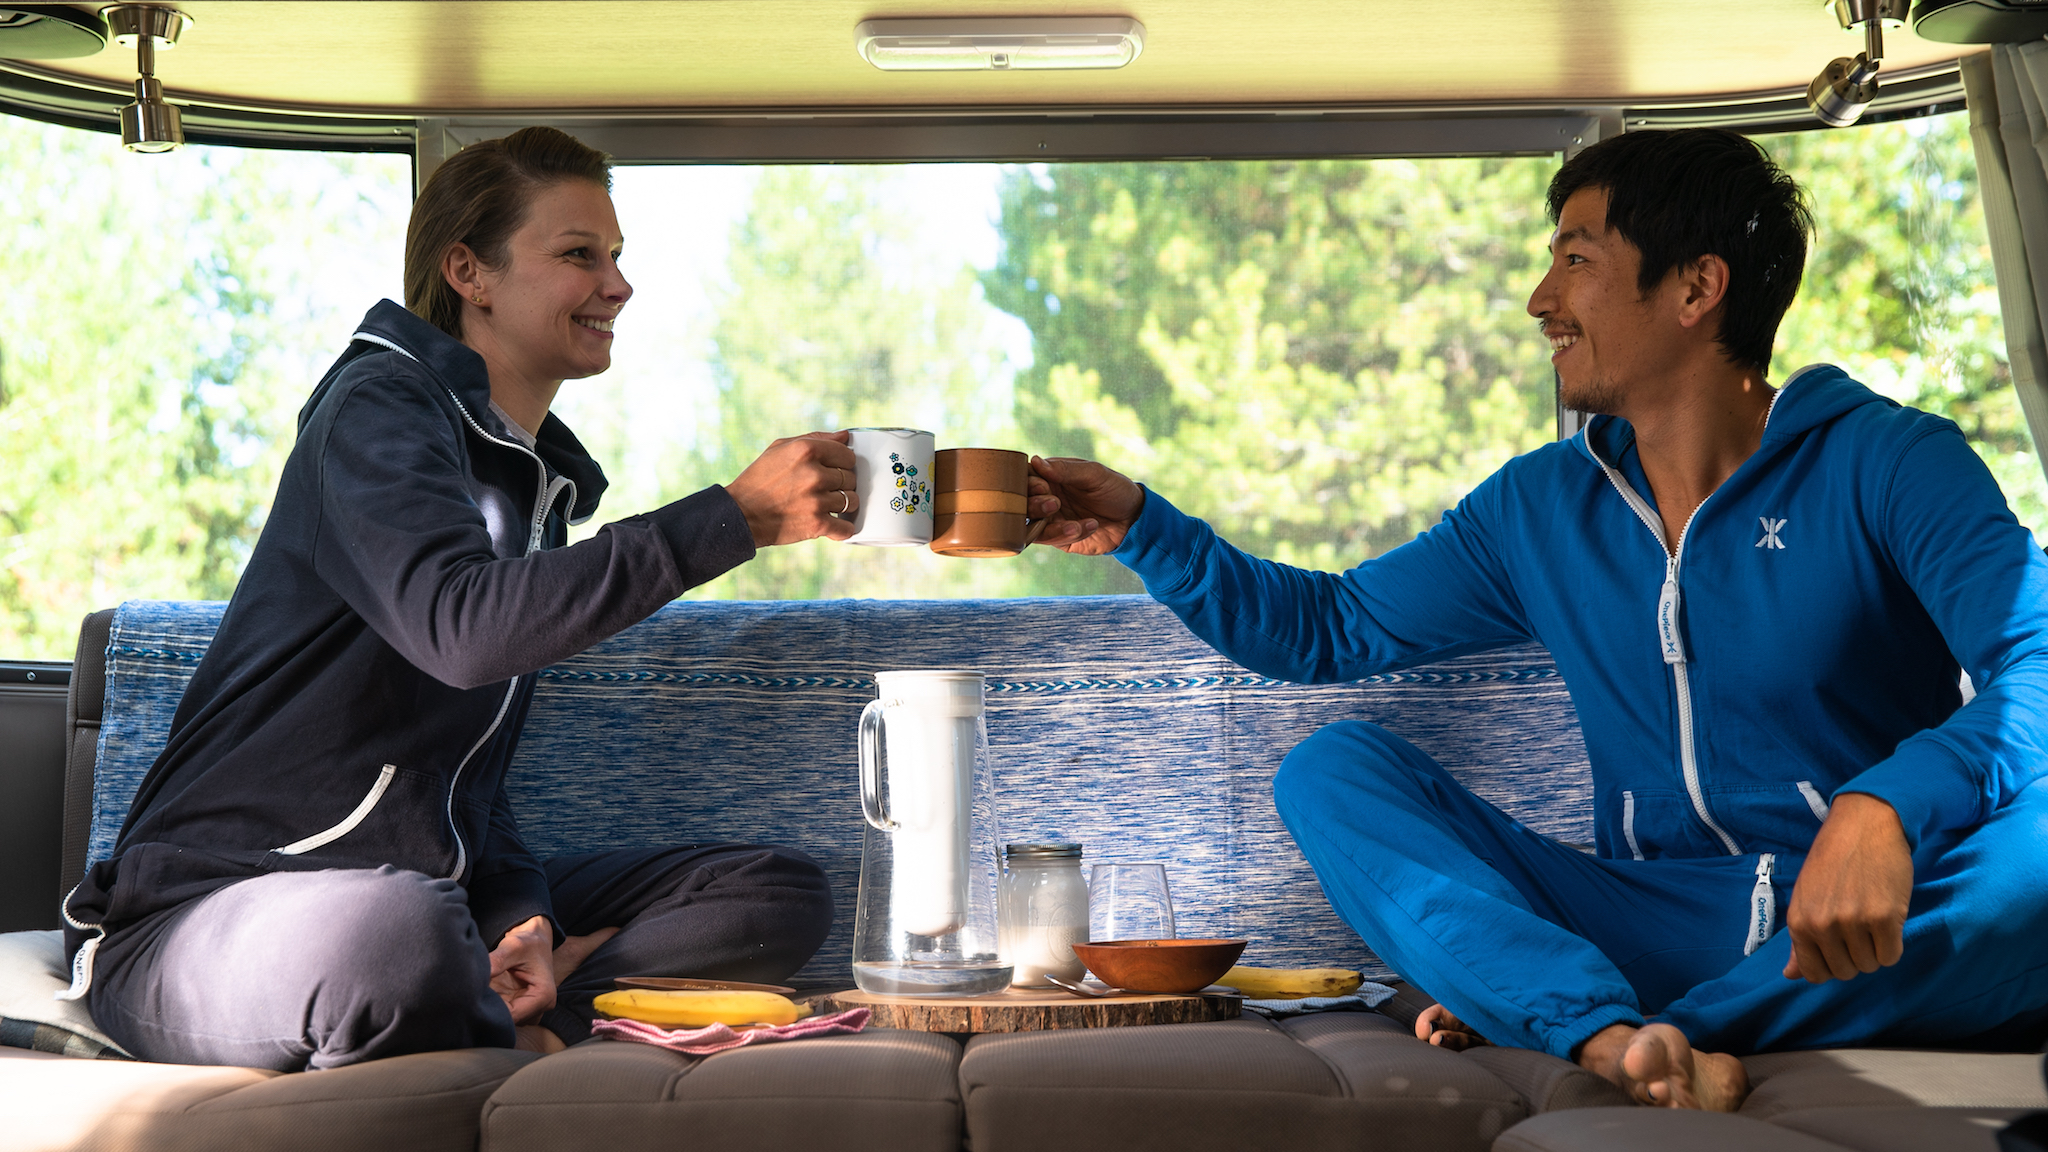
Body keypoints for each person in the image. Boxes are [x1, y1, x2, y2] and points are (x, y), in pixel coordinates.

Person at [1025, 127, 2048, 1111]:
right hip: (1644, 923)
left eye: (1575, 259)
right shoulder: (1538, 508)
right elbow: (1326, 627)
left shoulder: (1889, 461)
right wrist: (1142, 529)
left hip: (1869, 919)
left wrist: (1883, 806)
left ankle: (1633, 1033)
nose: (1539, 299)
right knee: (1330, 770)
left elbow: (2038, 660)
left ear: (1695, 288)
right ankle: (1610, 1029)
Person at [60, 127, 859, 1070]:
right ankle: (503, 1010)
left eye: (616, 256)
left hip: (425, 889)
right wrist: (733, 519)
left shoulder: (526, 486)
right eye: (579, 255)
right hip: (211, 914)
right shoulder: (376, 409)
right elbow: (461, 631)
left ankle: (519, 1005)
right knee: (404, 933)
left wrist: (520, 913)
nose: (618, 285)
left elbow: (463, 772)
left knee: (773, 894)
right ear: (468, 271)